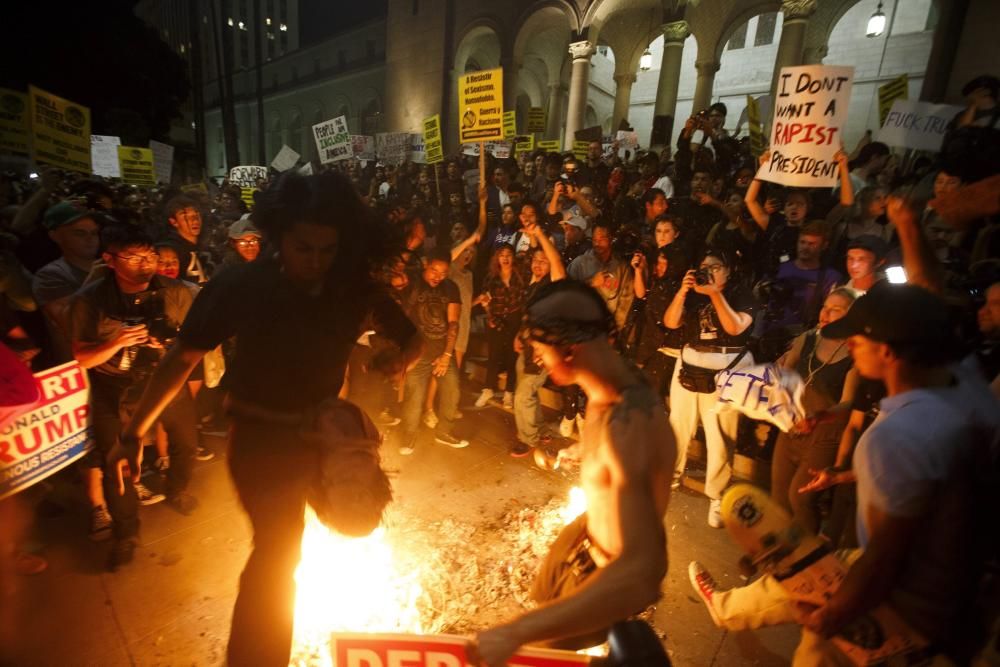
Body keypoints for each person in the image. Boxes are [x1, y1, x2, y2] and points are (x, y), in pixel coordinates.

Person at [115, 172, 421, 666]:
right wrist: (133, 433)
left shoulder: (348, 284)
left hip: (327, 435)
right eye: (304, 248)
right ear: (279, 237)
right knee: (278, 556)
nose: (316, 262)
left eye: (328, 249)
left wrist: (399, 359)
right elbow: (182, 357)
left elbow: (411, 337)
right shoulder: (241, 284)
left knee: (361, 520)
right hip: (264, 439)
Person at [688, 284, 1000, 666]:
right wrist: (841, 476)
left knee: (816, 648)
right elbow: (924, 482)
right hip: (957, 588)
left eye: (858, 338)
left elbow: (886, 559)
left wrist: (826, 618)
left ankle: (749, 614)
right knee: (812, 568)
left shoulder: (896, 436)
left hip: (905, 608)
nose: (849, 344)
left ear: (888, 350)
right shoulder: (964, 383)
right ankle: (728, 608)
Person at [473, 279, 677, 665]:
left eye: (540, 350)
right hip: (580, 541)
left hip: (604, 575)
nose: (538, 360)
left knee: (531, 651)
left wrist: (516, 631)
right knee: (536, 616)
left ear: (570, 349)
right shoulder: (608, 383)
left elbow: (643, 569)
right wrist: (583, 450)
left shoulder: (629, 423)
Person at [68, 224, 200, 568]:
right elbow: (82, 357)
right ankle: (126, 532)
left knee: (186, 442)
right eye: (135, 257)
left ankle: (178, 488)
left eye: (151, 255)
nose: (146, 263)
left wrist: (165, 342)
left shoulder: (175, 291)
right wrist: (118, 341)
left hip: (165, 380)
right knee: (119, 465)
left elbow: (189, 340)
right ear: (110, 260)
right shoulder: (91, 300)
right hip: (116, 388)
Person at [664, 248, 757, 526]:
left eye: (716, 267)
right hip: (690, 363)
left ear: (728, 271)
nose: (710, 271)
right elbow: (670, 322)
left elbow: (735, 328)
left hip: (726, 367)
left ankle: (717, 495)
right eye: (705, 267)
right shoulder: (692, 294)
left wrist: (715, 294)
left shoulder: (742, 294)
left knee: (720, 433)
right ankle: (669, 477)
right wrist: (683, 291)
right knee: (678, 424)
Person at [770, 288, 859, 533]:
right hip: (792, 427)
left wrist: (819, 417)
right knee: (779, 497)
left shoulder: (854, 351)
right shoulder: (808, 338)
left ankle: (808, 560)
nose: (826, 313)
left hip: (824, 434)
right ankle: (781, 560)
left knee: (800, 498)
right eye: (824, 306)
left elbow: (849, 401)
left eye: (835, 309)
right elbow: (784, 375)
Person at [397, 249, 469, 454]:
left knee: (453, 390)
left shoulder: (451, 288)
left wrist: (447, 355)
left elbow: (453, 323)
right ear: (426, 265)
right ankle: (408, 437)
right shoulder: (411, 282)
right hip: (416, 351)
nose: (438, 276)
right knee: (414, 396)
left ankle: (444, 432)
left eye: (443, 273)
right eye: (434, 271)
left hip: (441, 351)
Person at [511, 218, 566, 456]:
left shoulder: (552, 285)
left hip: (542, 350)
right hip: (526, 345)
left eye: (544, 262)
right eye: (536, 260)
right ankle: (540, 429)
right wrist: (518, 335)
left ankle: (529, 438)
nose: (539, 264)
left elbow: (557, 264)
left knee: (522, 396)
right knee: (528, 393)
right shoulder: (531, 284)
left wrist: (540, 235)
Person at [474, 243, 526, 410]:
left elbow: (524, 299)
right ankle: (488, 389)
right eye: (502, 255)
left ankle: (509, 393)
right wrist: (489, 316)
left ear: (513, 257)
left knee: (512, 356)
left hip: (514, 318)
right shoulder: (491, 277)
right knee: (494, 356)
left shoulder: (520, 275)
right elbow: (485, 299)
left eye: (508, 254)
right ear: (497, 258)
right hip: (495, 318)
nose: (505, 258)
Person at [163, 195, 209, 284]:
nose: (195, 220)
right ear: (174, 222)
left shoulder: (205, 248)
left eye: (196, 215)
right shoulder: (170, 250)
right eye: (186, 217)